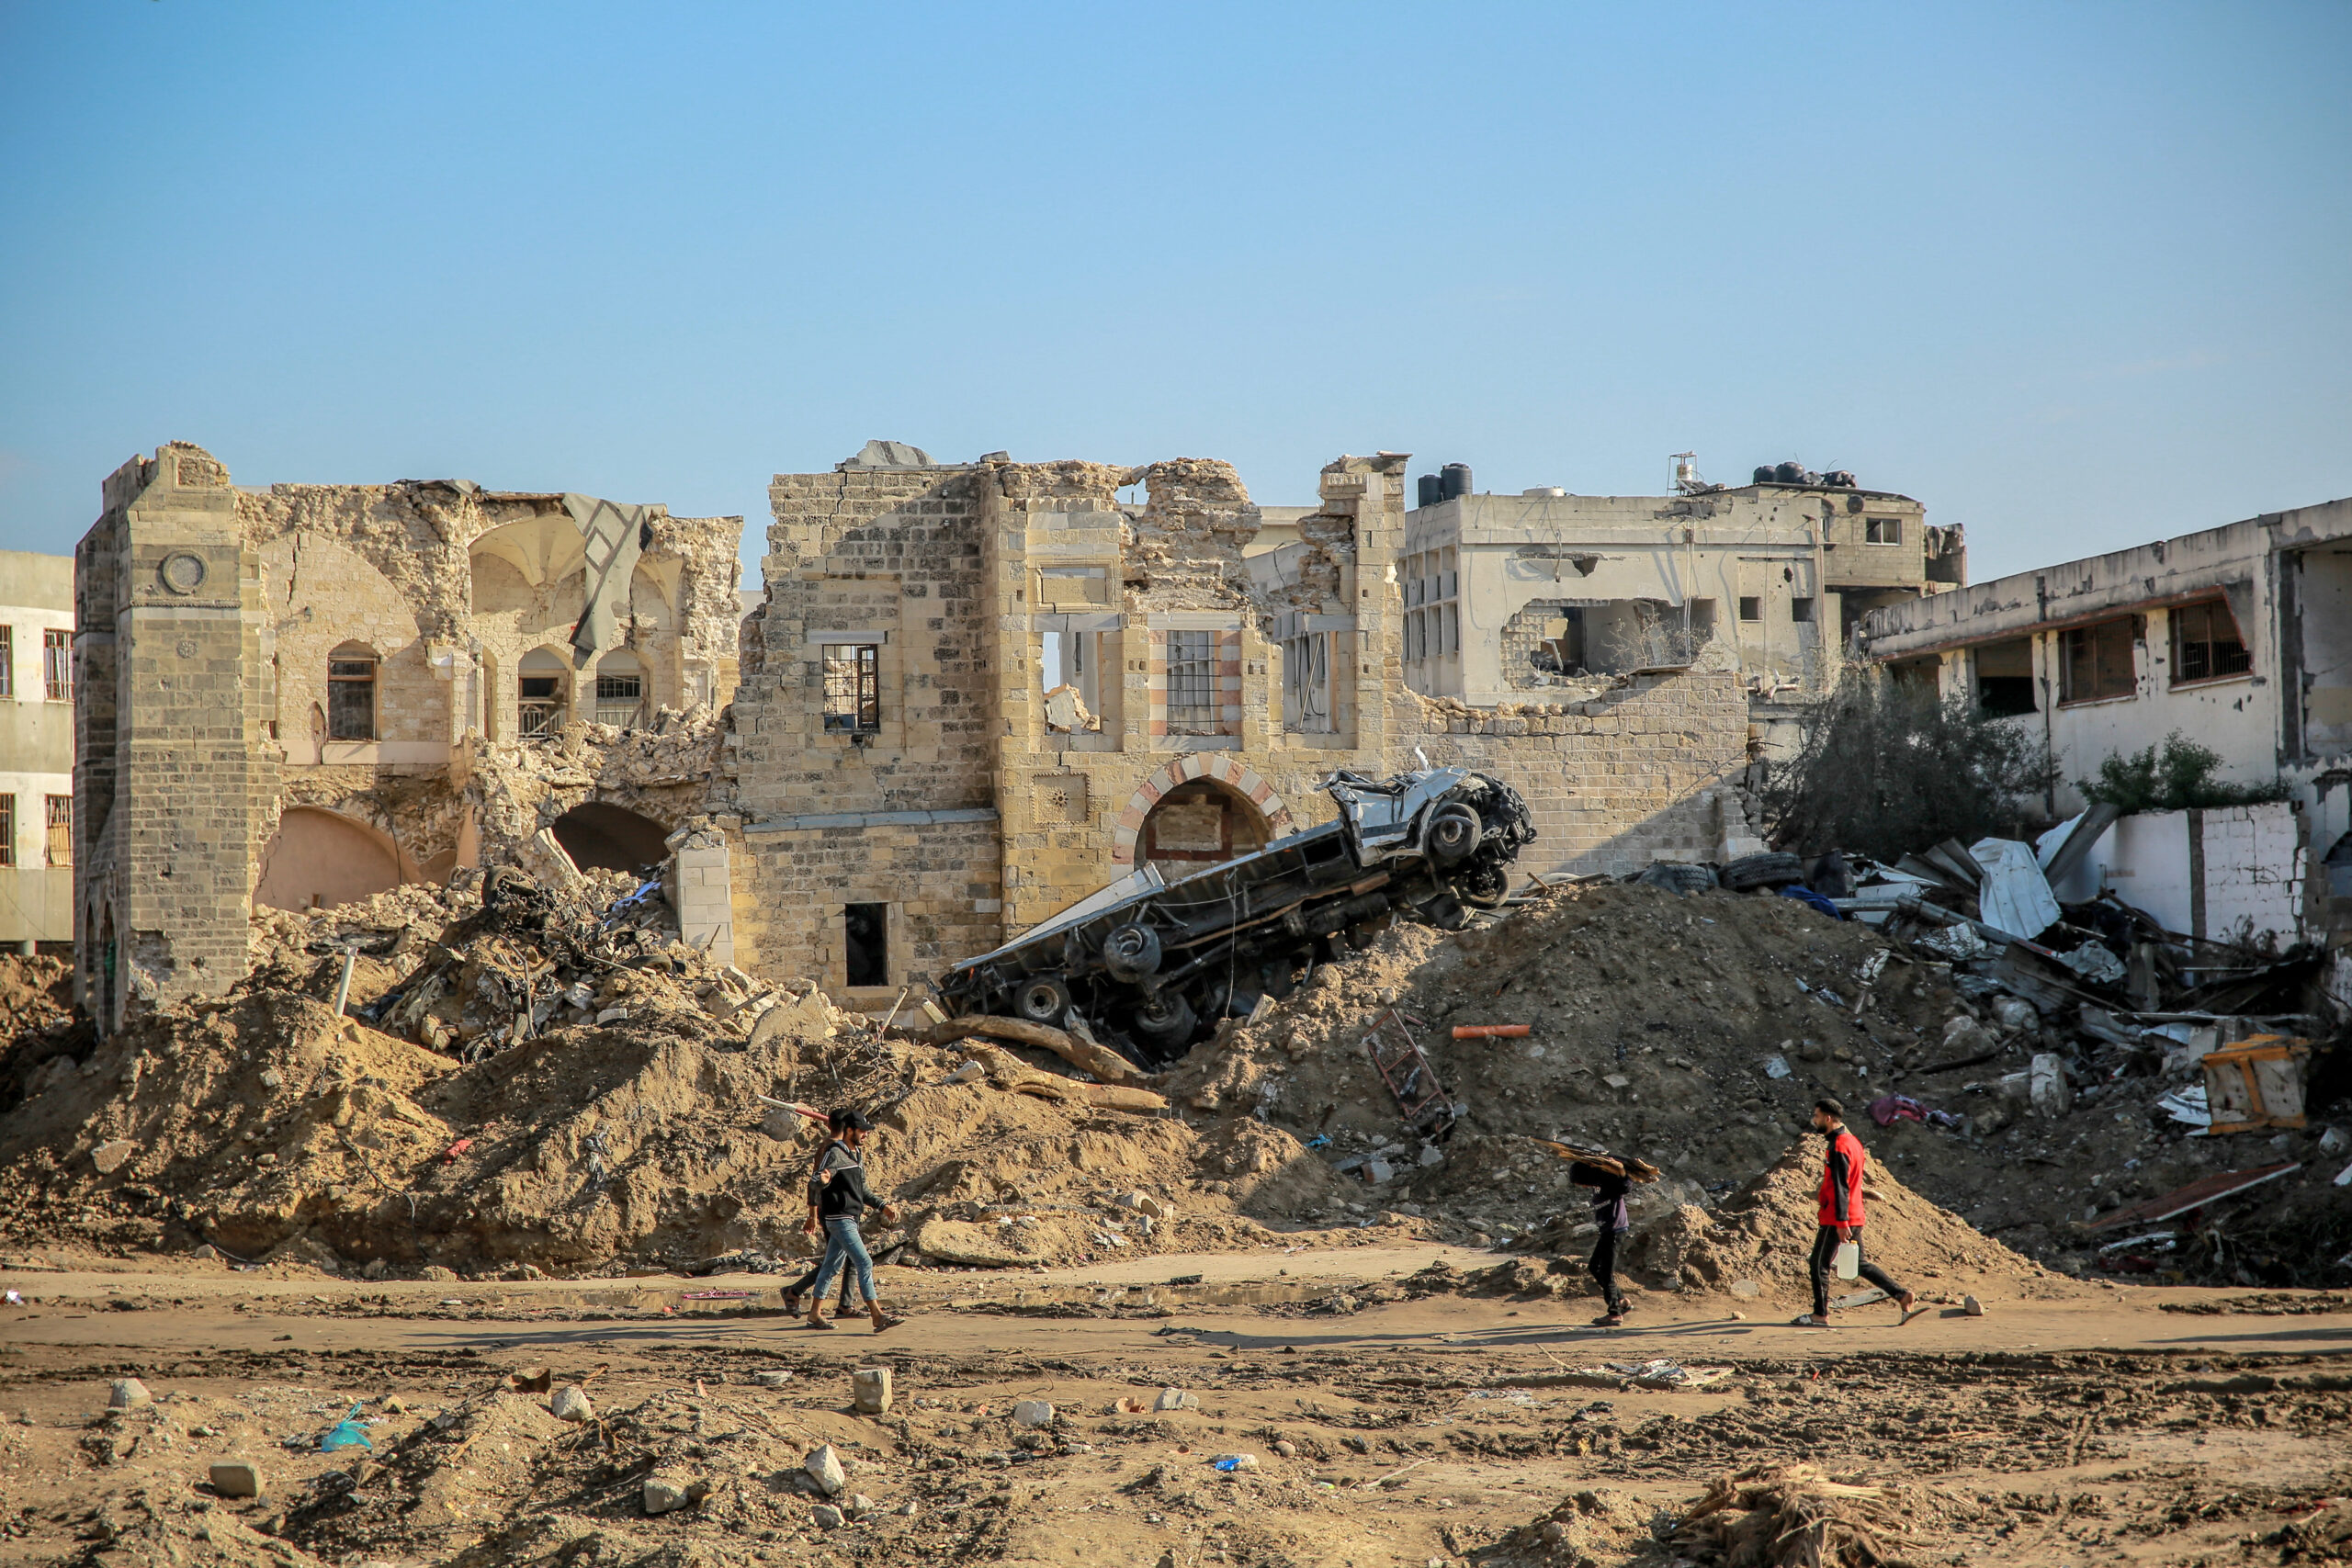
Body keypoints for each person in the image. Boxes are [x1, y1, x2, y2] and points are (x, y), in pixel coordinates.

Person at [1794, 1097, 1917, 1328]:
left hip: (1838, 1217)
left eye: (1817, 1116)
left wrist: (1841, 1221)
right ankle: (1901, 1295)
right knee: (1859, 1263)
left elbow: (1841, 1185)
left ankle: (1820, 1315)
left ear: (1828, 1118)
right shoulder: (1852, 1142)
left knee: (1818, 1264)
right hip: (1854, 1212)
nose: (1814, 1120)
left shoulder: (1839, 1146)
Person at [803, 1109, 905, 1333]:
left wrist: (882, 1206)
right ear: (849, 1130)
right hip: (839, 1218)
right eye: (862, 1131)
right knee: (864, 1262)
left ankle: (814, 1315)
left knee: (831, 1266)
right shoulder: (835, 1152)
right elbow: (816, 1181)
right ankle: (877, 1316)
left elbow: (863, 1190)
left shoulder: (856, 1154)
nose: (865, 1135)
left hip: (850, 1217)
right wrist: (824, 1180)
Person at [1568, 1157, 1634, 1326]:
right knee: (1594, 1267)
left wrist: (1624, 1173)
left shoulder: (1608, 1180)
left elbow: (1625, 1186)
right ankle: (1622, 1301)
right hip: (1606, 1231)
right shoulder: (1596, 1183)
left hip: (1615, 1230)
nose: (1582, 1186)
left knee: (1606, 1272)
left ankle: (1615, 1314)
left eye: (1580, 1183)